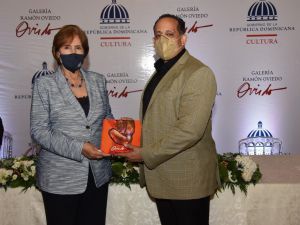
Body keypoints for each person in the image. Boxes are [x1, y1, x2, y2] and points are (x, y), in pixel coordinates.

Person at [116, 14, 219, 225]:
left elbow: (189, 130)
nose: (163, 39)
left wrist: (144, 154)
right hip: (164, 177)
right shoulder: (161, 70)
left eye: (170, 34)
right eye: (158, 35)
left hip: (186, 180)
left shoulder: (198, 72)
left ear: (183, 38)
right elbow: (158, 115)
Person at [30, 25, 113, 225]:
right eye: (67, 47)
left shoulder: (98, 81)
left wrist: (119, 136)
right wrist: (80, 148)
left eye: (78, 47)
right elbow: (39, 131)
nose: (73, 52)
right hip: (60, 179)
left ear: (85, 52)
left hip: (96, 176)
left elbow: (107, 119)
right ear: (58, 53)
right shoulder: (45, 85)